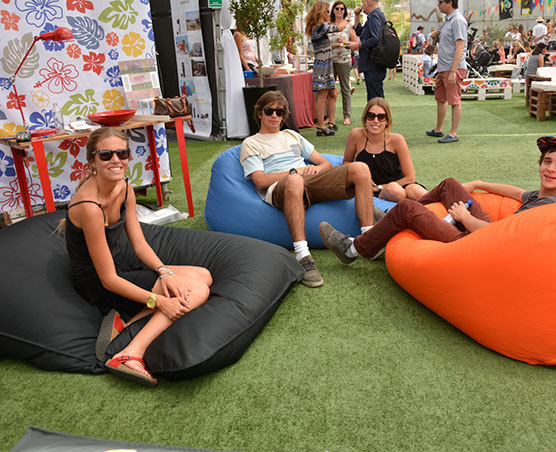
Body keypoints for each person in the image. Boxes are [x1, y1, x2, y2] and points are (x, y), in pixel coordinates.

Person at [62, 127, 213, 386]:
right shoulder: (88, 207)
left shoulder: (124, 188)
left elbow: (140, 243)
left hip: (118, 267)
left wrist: (163, 272)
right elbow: (107, 279)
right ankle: (130, 352)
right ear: (92, 162)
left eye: (122, 153)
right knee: (197, 290)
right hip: (98, 283)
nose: (116, 160)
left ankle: (125, 323)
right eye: (106, 155)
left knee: (204, 275)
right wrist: (158, 301)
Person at [320, 136, 556, 263]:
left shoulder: (552, 209)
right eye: (547, 161)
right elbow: (517, 193)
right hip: (485, 232)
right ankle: (388, 228)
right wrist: (479, 183)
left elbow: (506, 237)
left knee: (407, 208)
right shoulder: (544, 195)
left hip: (481, 246)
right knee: (450, 185)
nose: (550, 168)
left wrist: (465, 218)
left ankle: (353, 249)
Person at [240, 90, 377, 287]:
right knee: (295, 180)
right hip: (281, 187)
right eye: (269, 111)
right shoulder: (251, 143)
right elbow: (260, 181)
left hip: (308, 181)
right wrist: (295, 171)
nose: (274, 116)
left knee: (360, 168)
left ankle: (368, 239)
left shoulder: (292, 135)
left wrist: (316, 169)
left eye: (279, 112)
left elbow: (325, 164)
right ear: (259, 113)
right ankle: (303, 257)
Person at [343, 98, 427, 203]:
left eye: (381, 117)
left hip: (398, 184)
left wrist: (380, 187)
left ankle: (444, 215)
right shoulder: (356, 135)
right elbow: (346, 162)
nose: (375, 121)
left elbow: (410, 178)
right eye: (371, 116)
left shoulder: (397, 140)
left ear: (387, 121)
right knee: (394, 190)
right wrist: (363, 180)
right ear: (365, 119)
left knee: (415, 190)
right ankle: (412, 208)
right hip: (377, 190)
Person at [425, 0, 467, 144]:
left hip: (451, 67)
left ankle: (453, 133)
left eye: (440, 2)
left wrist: (454, 70)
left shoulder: (458, 20)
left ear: (449, 3)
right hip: (444, 67)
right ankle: (438, 129)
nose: (438, 5)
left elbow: (460, 46)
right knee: (440, 98)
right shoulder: (449, 20)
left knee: (454, 101)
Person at [305, 1, 345, 136]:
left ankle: (330, 122)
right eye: (327, 11)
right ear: (321, 12)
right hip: (322, 65)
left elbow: (321, 47)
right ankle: (321, 126)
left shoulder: (318, 28)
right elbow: (339, 27)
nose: (329, 13)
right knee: (322, 95)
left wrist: (333, 46)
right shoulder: (320, 27)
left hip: (325, 63)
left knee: (333, 93)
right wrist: (348, 18)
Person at [349, 0, 387, 100]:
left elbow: (375, 39)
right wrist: (357, 16)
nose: (362, 6)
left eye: (362, 2)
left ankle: (378, 115)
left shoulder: (374, 16)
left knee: (375, 97)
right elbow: (359, 32)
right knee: (375, 95)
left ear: (368, 2)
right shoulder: (376, 15)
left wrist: (358, 45)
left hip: (373, 63)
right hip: (374, 62)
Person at [329, 1, 358, 125]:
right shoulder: (329, 25)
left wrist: (345, 42)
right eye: (337, 8)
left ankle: (347, 116)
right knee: (330, 89)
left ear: (344, 11)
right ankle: (330, 117)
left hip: (344, 60)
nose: (339, 10)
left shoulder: (348, 26)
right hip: (329, 60)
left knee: (345, 89)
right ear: (333, 10)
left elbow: (355, 44)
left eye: (342, 9)